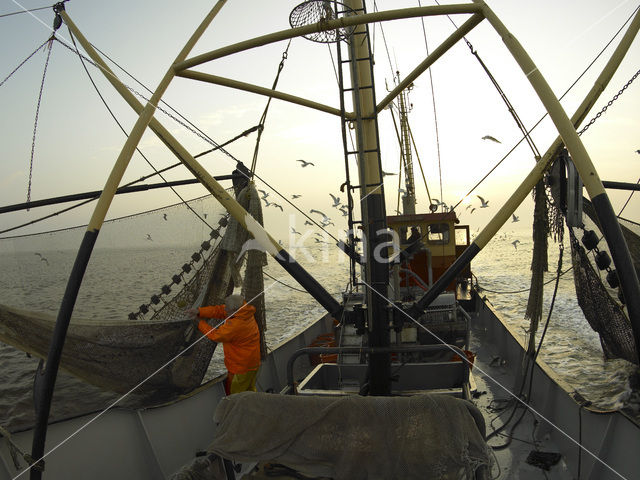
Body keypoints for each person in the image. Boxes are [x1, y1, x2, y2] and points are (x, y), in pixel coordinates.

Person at [187, 294, 260, 395]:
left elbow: (216, 336)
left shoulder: (235, 325)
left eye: (227, 308)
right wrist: (200, 311)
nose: (225, 308)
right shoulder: (244, 310)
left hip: (241, 368)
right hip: (252, 363)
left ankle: (239, 410)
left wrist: (199, 322)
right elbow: (221, 310)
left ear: (234, 310)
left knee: (237, 395)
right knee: (249, 390)